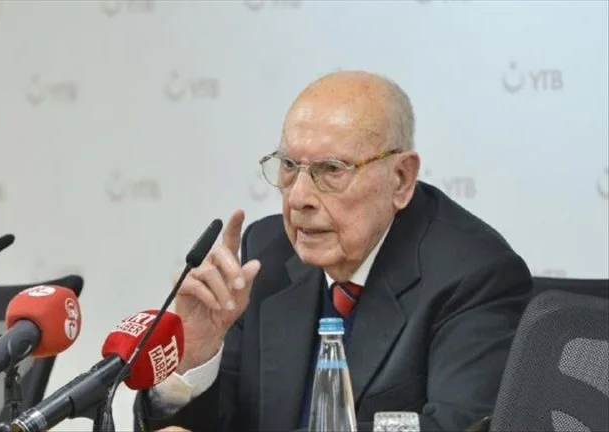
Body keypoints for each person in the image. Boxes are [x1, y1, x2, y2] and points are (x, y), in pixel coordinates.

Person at [133, 70, 533, 432]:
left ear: (400, 178)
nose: (298, 198)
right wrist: (194, 356)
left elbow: (457, 427)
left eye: (331, 170)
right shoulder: (267, 253)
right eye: (289, 166)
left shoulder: (473, 273)